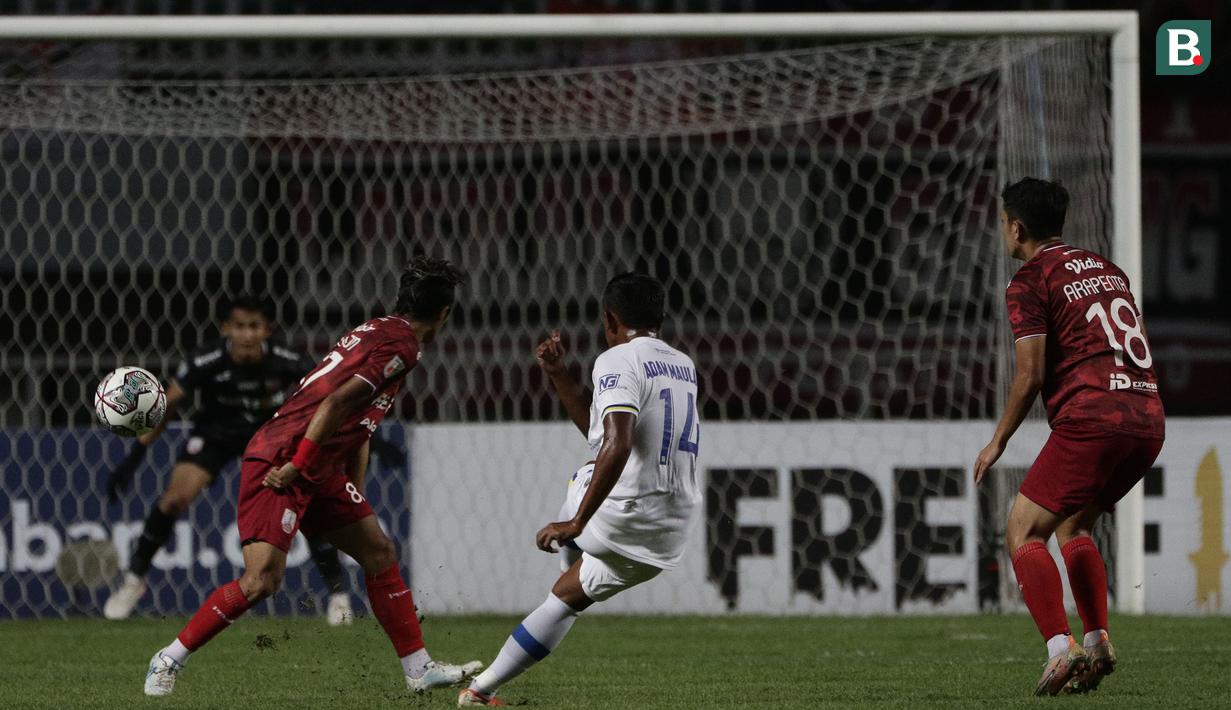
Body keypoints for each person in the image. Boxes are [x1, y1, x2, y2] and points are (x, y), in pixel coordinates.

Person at [142, 257, 481, 697]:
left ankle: (419, 669)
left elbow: (359, 422)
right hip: (283, 457)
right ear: (444, 313)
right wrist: (298, 464)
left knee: (378, 551)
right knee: (261, 581)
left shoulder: (376, 329)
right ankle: (168, 658)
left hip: (315, 462)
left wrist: (353, 488)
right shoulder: (404, 347)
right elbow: (334, 403)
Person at [458, 272, 702, 707]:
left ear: (609, 319)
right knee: (565, 599)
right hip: (670, 534)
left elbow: (616, 443)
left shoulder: (616, 359)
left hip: (621, 518)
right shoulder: (684, 364)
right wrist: (558, 374)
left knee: (586, 473)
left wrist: (576, 522)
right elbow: (602, 432)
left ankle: (572, 546)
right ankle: (480, 691)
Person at [973, 178, 1165, 696]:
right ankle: (1098, 640)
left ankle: (1061, 648)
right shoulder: (1109, 270)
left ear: (1017, 227)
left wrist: (998, 440)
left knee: (1022, 530)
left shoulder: (1030, 280)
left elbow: (1030, 374)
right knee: (1074, 524)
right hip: (1147, 417)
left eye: (1003, 222)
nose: (1003, 231)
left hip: (1093, 419)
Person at [104, 295, 355, 625]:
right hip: (216, 433)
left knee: (304, 507)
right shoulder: (206, 359)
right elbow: (167, 404)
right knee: (174, 499)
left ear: (267, 330)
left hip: (269, 435)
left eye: (254, 326)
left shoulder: (287, 359)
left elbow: (330, 400)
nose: (247, 334)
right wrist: (133, 459)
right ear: (226, 329)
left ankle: (338, 594)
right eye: (239, 326)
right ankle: (134, 580)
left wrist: (363, 439)